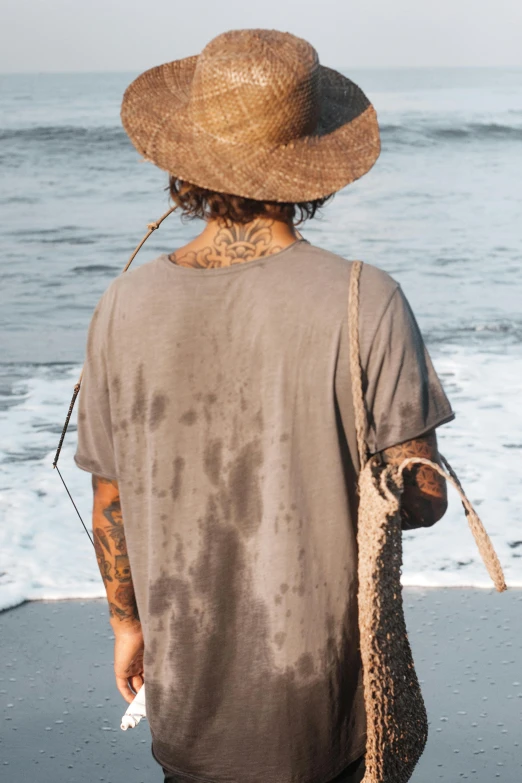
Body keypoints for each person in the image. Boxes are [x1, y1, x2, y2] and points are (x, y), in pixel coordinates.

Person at [75, 28, 455, 783]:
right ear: (311, 164)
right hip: (326, 707)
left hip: (188, 708)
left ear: (187, 163)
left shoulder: (122, 305)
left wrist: (128, 624)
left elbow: (110, 502)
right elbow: (425, 496)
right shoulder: (364, 297)